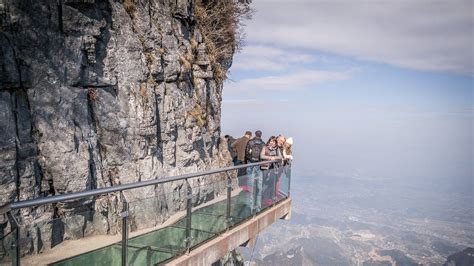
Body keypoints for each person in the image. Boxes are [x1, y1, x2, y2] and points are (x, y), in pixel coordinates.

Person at [245, 130, 266, 211]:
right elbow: (263, 155)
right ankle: (258, 207)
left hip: (250, 162)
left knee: (250, 183)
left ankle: (249, 206)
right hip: (258, 164)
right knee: (259, 184)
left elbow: (247, 152)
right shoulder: (263, 144)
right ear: (261, 135)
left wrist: (248, 160)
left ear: (255, 134)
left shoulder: (250, 142)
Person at [260, 136, 282, 207]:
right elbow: (262, 156)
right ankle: (261, 197)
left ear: (275, 143)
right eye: (271, 141)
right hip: (265, 168)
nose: (272, 143)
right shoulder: (265, 147)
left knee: (271, 183)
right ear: (269, 141)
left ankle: (267, 198)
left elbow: (280, 157)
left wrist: (274, 158)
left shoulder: (277, 149)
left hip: (273, 169)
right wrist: (269, 157)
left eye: (273, 141)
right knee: (263, 182)